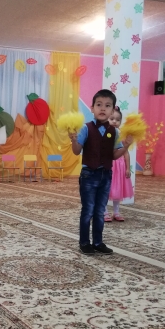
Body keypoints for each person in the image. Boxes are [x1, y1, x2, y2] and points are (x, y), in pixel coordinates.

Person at [70, 89, 133, 255]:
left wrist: (125, 146)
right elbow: (76, 151)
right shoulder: (86, 128)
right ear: (92, 108)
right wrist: (74, 140)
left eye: (107, 105)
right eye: (99, 105)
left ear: (113, 111)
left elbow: (114, 155)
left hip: (106, 175)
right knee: (88, 210)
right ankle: (84, 242)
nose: (103, 108)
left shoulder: (115, 132)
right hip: (88, 175)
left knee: (99, 211)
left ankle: (98, 242)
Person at [104, 106, 133, 222]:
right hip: (108, 165)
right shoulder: (104, 133)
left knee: (117, 190)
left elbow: (126, 152)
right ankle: (104, 212)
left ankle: (116, 212)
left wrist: (128, 168)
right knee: (105, 189)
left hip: (120, 166)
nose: (114, 121)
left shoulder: (122, 135)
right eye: (112, 119)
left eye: (117, 119)